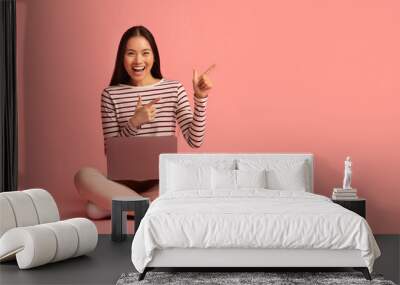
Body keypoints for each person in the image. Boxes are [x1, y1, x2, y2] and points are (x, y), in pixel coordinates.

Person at [74, 26, 214, 219]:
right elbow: (111, 150)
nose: (138, 61)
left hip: (160, 182)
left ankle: (123, 205)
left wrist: (200, 98)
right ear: (121, 58)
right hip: (122, 182)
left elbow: (195, 140)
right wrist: (134, 122)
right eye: (131, 54)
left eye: (145, 53)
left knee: (93, 210)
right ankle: (147, 207)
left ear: (154, 57)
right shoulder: (111, 94)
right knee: (83, 176)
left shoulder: (174, 89)